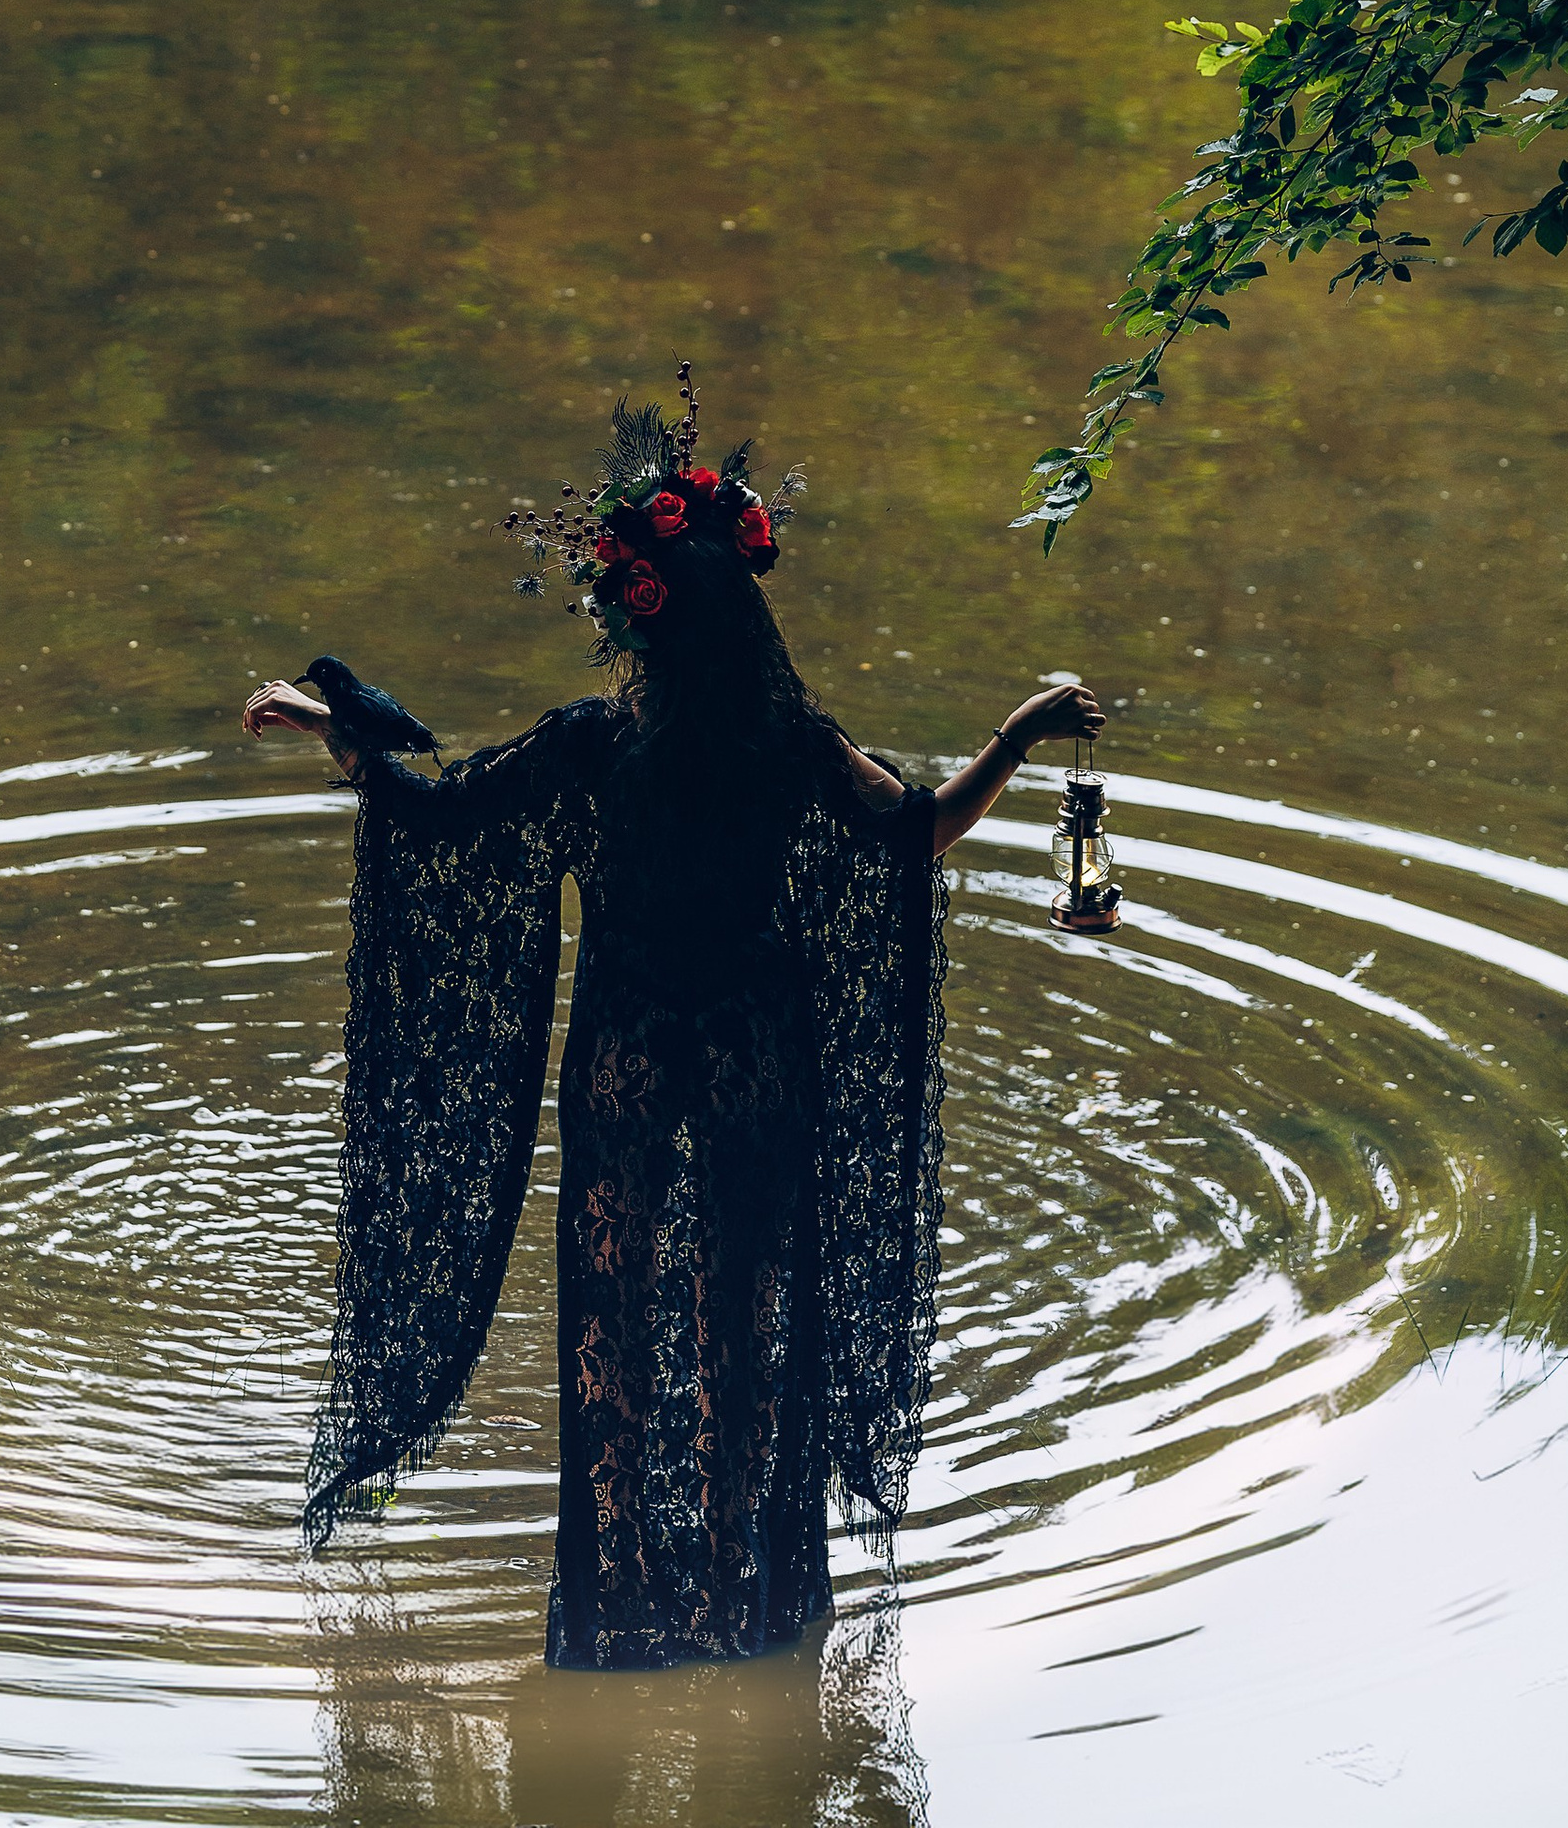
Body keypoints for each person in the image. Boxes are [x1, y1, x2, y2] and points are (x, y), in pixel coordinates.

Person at [242, 374, 1105, 1673]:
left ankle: (617, 1600)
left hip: (628, 1058)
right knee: (740, 1315)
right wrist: (1021, 732)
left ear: (636, 628)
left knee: (612, 1310)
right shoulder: (792, 744)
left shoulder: (594, 745)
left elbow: (440, 812)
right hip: (756, 1055)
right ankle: (741, 1599)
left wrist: (336, 724)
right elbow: (918, 832)